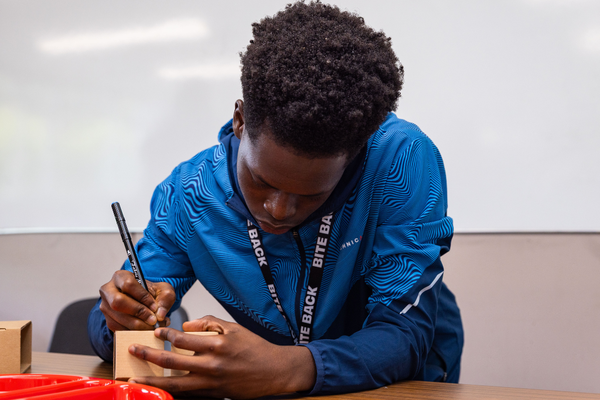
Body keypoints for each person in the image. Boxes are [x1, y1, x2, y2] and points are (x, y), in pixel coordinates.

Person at [88, 1, 464, 398]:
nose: (279, 211)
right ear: (240, 119)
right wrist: (120, 318)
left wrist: (289, 367)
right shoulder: (190, 194)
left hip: (395, 381)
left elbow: (404, 334)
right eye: (261, 182)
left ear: (357, 152)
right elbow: (106, 331)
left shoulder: (399, 160)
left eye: (312, 194)